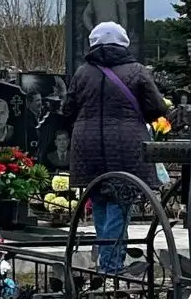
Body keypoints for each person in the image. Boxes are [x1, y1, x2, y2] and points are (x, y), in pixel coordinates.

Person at [59, 21, 170, 280]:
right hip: (126, 145)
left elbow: (67, 110)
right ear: (123, 43)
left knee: (100, 202)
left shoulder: (82, 73)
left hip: (87, 146)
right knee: (121, 203)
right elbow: (157, 108)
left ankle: (107, 261)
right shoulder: (136, 71)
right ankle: (111, 268)